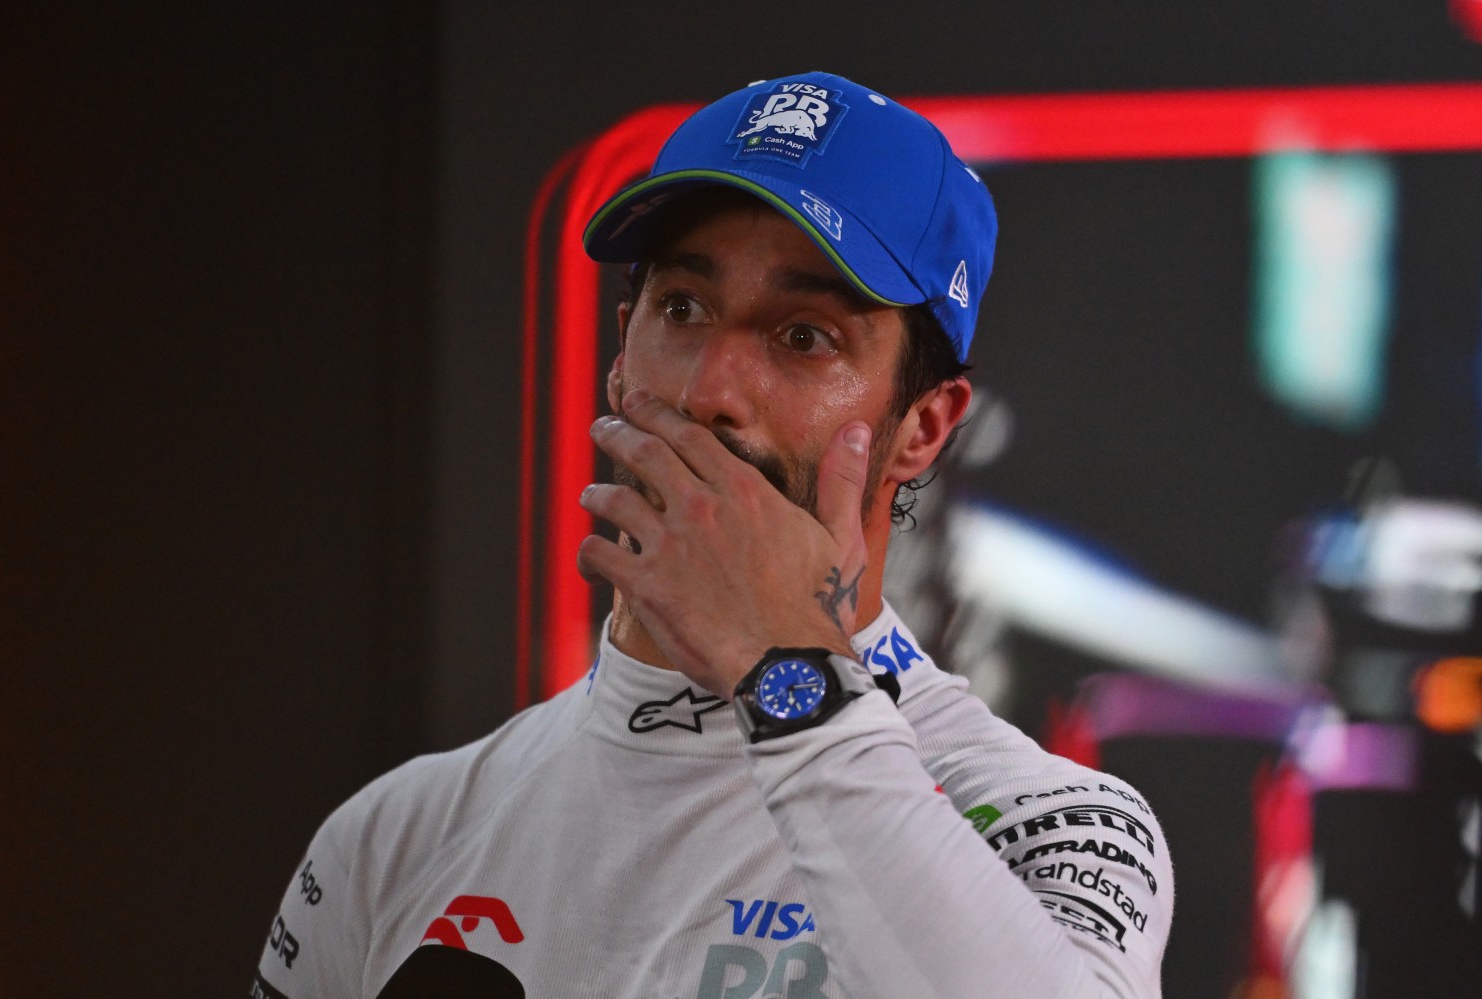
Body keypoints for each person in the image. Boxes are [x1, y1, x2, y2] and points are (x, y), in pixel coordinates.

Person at [253, 71, 1173, 999]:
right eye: (682, 309)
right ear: (621, 358)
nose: (709, 392)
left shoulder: (1050, 821)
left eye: (804, 336)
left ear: (923, 427)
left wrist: (784, 663)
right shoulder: (395, 835)